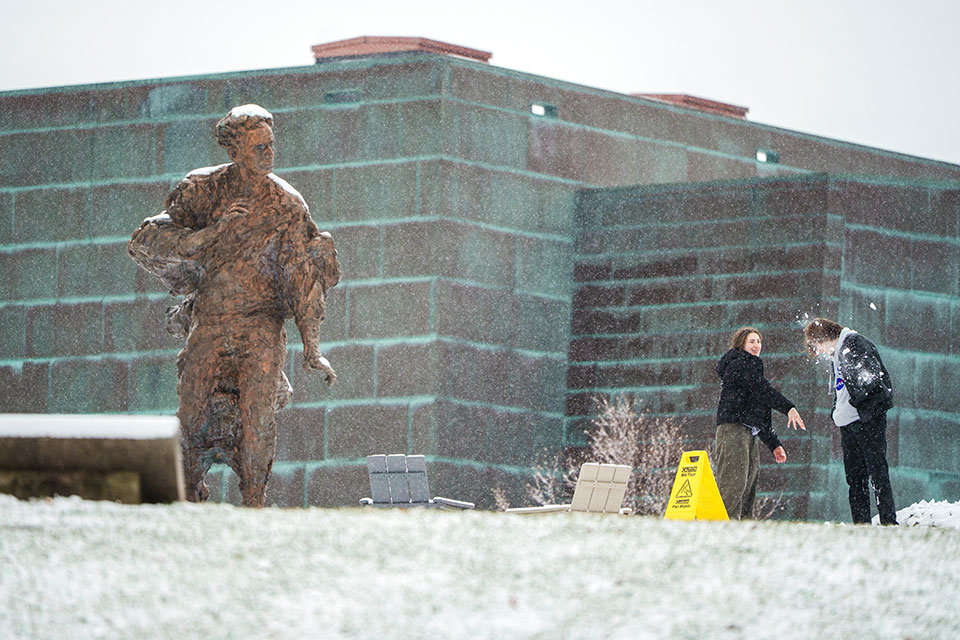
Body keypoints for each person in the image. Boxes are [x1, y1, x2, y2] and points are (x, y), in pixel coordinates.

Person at [128, 104, 341, 507]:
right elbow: (148, 240)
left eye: (271, 145)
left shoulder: (286, 204)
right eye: (258, 147)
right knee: (190, 415)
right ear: (234, 151)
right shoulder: (202, 189)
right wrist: (211, 235)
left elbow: (302, 278)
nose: (268, 153)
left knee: (258, 418)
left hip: (261, 324)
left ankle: (254, 502)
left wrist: (312, 348)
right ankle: (187, 496)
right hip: (211, 319)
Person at [803, 318, 896, 525]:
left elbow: (870, 379)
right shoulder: (838, 353)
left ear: (826, 336)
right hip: (850, 423)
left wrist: (855, 405)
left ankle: (889, 521)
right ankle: (861, 524)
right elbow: (842, 388)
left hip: (866, 419)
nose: (819, 352)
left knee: (876, 472)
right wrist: (838, 411)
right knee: (855, 479)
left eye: (818, 346)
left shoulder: (853, 343)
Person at [714, 327, 806, 519]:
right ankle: (723, 526)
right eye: (752, 342)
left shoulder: (752, 367)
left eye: (758, 341)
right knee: (734, 482)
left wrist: (774, 444)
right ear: (742, 344)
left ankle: (743, 528)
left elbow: (760, 410)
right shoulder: (740, 364)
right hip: (733, 428)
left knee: (749, 481)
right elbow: (764, 391)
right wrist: (788, 408)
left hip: (748, 431)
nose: (757, 345)